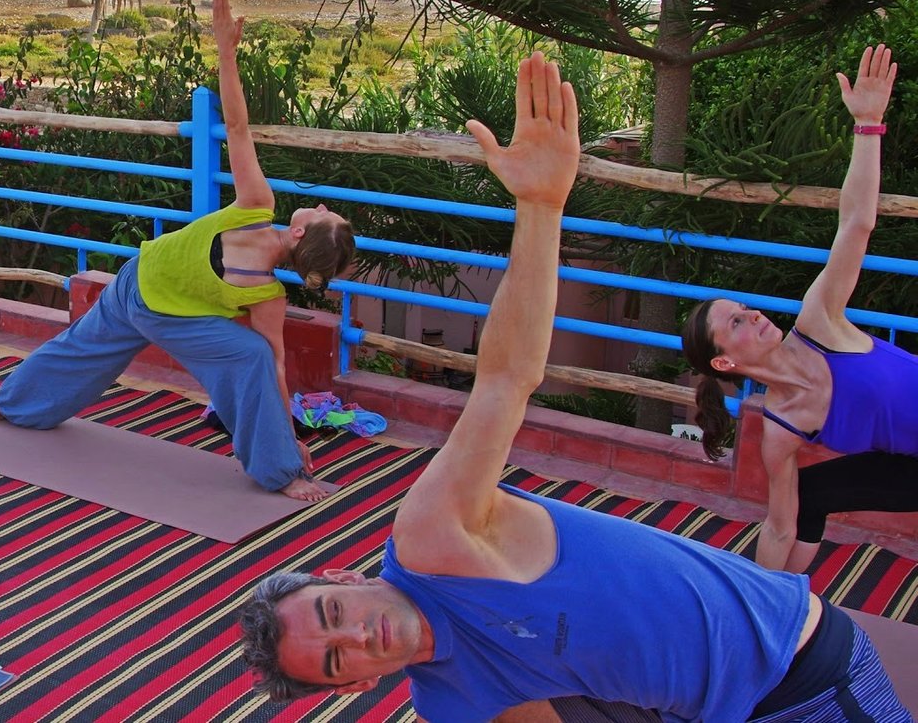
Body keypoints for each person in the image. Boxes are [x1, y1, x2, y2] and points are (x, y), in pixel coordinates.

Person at [235, 53, 908, 721]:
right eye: (336, 659)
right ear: (353, 688)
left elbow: (504, 380)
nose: (358, 636)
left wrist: (539, 207)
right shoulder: (454, 703)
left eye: (334, 613)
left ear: (343, 578)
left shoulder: (434, 536)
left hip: (797, 669)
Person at [0, 0, 355, 501]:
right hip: (143, 294)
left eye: (321, 214)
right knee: (241, 355)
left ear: (299, 233)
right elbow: (273, 368)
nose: (318, 206)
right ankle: (280, 470)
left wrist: (226, 51)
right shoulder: (265, 276)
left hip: (138, 283)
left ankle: (8, 406)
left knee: (85, 351)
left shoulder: (258, 214)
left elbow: (238, 127)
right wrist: (225, 50)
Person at [682, 45, 915, 575]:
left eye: (744, 308)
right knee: (807, 496)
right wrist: (762, 598)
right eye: (736, 321)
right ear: (724, 361)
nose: (753, 315)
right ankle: (780, 609)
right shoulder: (782, 429)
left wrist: (868, 126)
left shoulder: (818, 323)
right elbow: (779, 526)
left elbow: (856, 223)